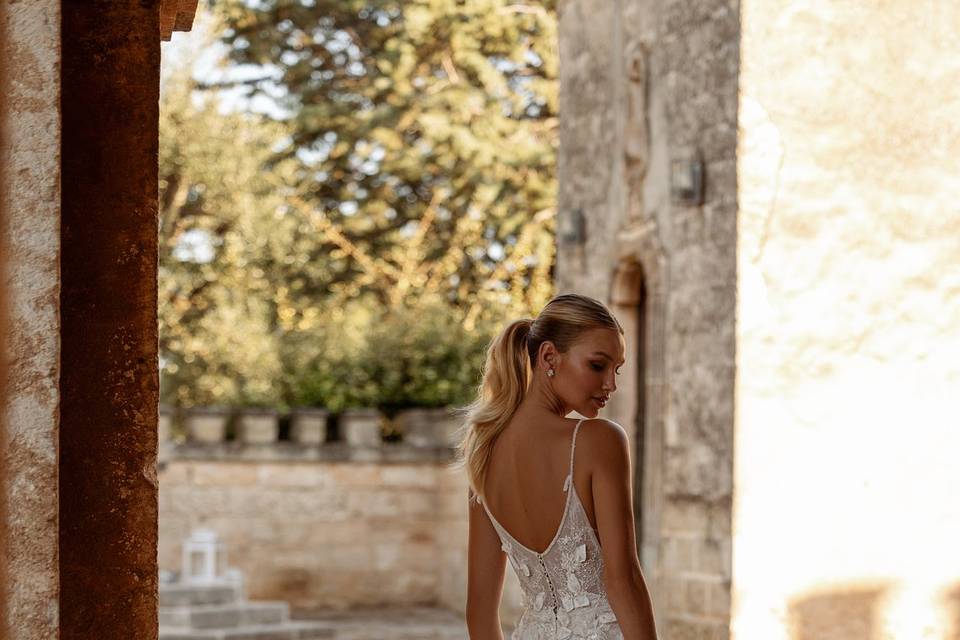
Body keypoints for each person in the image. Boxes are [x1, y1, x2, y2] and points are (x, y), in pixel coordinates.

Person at [456, 293, 659, 640]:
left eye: (617, 370)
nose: (611, 384)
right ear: (549, 356)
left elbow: (479, 611)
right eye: (598, 365)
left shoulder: (484, 454)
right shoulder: (599, 440)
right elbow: (623, 581)